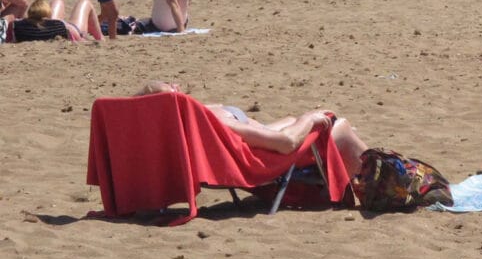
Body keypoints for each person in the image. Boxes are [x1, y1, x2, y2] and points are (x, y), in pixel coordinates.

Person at [138, 82, 371, 177]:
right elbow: (285, 143)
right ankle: (380, 178)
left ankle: (374, 167)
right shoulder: (213, 123)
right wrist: (308, 119)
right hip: (266, 158)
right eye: (172, 87)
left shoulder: (183, 123)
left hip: (255, 144)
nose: (177, 84)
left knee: (312, 118)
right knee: (336, 127)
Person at [8, 0, 103, 43]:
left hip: (46, 27)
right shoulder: (61, 26)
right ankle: (100, 38)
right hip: (67, 29)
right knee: (85, 2)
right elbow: (80, 39)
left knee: (57, 1)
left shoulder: (15, 26)